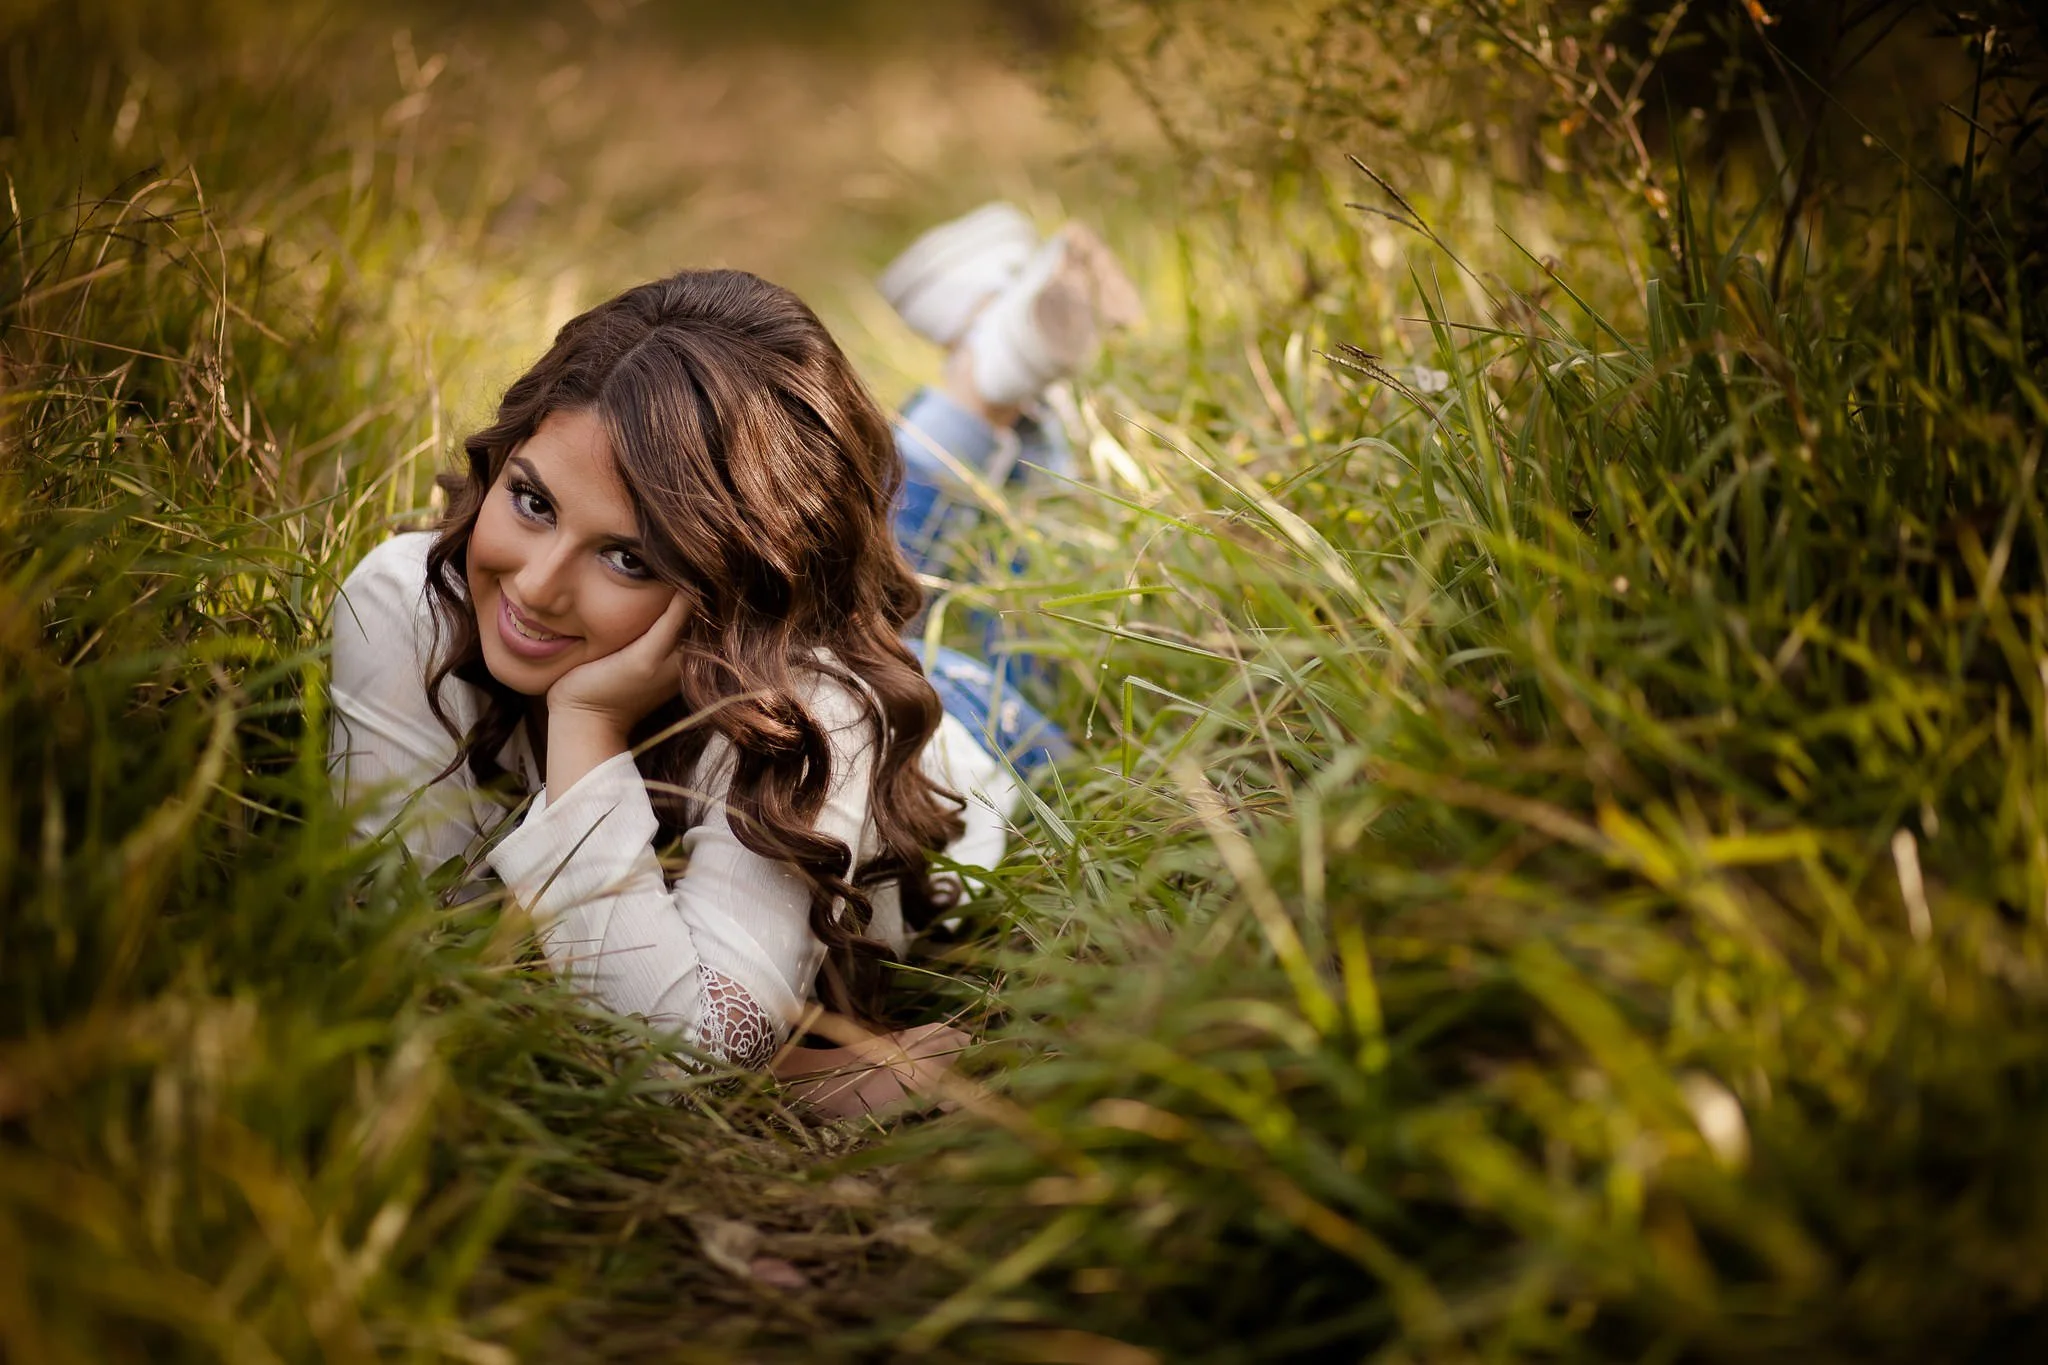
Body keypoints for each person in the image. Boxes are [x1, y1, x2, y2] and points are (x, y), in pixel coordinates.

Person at [327, 203, 1137, 1117]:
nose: (537, 587)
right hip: (783, 633)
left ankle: (1009, 389)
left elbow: (677, 1056)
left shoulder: (817, 709)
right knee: (890, 553)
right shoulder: (407, 600)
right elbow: (410, 948)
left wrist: (587, 728)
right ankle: (994, 366)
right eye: (532, 500)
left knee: (974, 621)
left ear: (739, 587)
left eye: (629, 556)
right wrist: (793, 1077)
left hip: (966, 744)